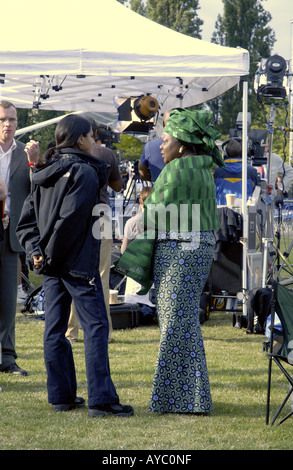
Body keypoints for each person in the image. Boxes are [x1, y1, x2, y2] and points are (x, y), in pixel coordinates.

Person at [16, 114, 133, 417]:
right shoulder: (85, 171)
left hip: (52, 264)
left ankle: (62, 396)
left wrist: (37, 253)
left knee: (55, 329)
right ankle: (102, 401)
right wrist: (44, 254)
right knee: (95, 327)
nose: (96, 141)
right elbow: (70, 221)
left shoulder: (43, 171)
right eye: (92, 137)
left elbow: (26, 222)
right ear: (80, 139)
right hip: (76, 264)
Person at [143, 108, 225, 413]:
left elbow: (153, 211)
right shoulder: (203, 167)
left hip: (179, 251)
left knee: (175, 323)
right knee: (184, 321)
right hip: (196, 248)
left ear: (181, 142)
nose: (161, 146)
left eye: (165, 140)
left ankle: (174, 399)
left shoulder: (177, 170)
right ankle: (193, 396)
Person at [66, 117, 123, 344]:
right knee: (101, 276)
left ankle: (71, 332)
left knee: (74, 275)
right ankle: (105, 332)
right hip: (101, 214)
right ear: (96, 132)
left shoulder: (67, 154)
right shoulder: (106, 153)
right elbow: (118, 186)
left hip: (76, 217)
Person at [0, 100, 31, 377]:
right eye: (1, 119)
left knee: (9, 300)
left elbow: (36, 188)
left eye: (11, 119)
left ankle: (7, 358)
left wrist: (36, 163)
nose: (7, 124)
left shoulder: (25, 152)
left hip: (11, 235)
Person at [214, 138, 259, 205]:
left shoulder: (218, 170)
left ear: (226, 154)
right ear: (244, 153)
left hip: (221, 212)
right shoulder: (251, 170)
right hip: (244, 211)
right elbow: (256, 192)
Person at [138, 110, 171, 183]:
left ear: (163, 124)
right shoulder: (193, 145)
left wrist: (155, 180)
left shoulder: (150, 146)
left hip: (159, 192)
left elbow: (143, 174)